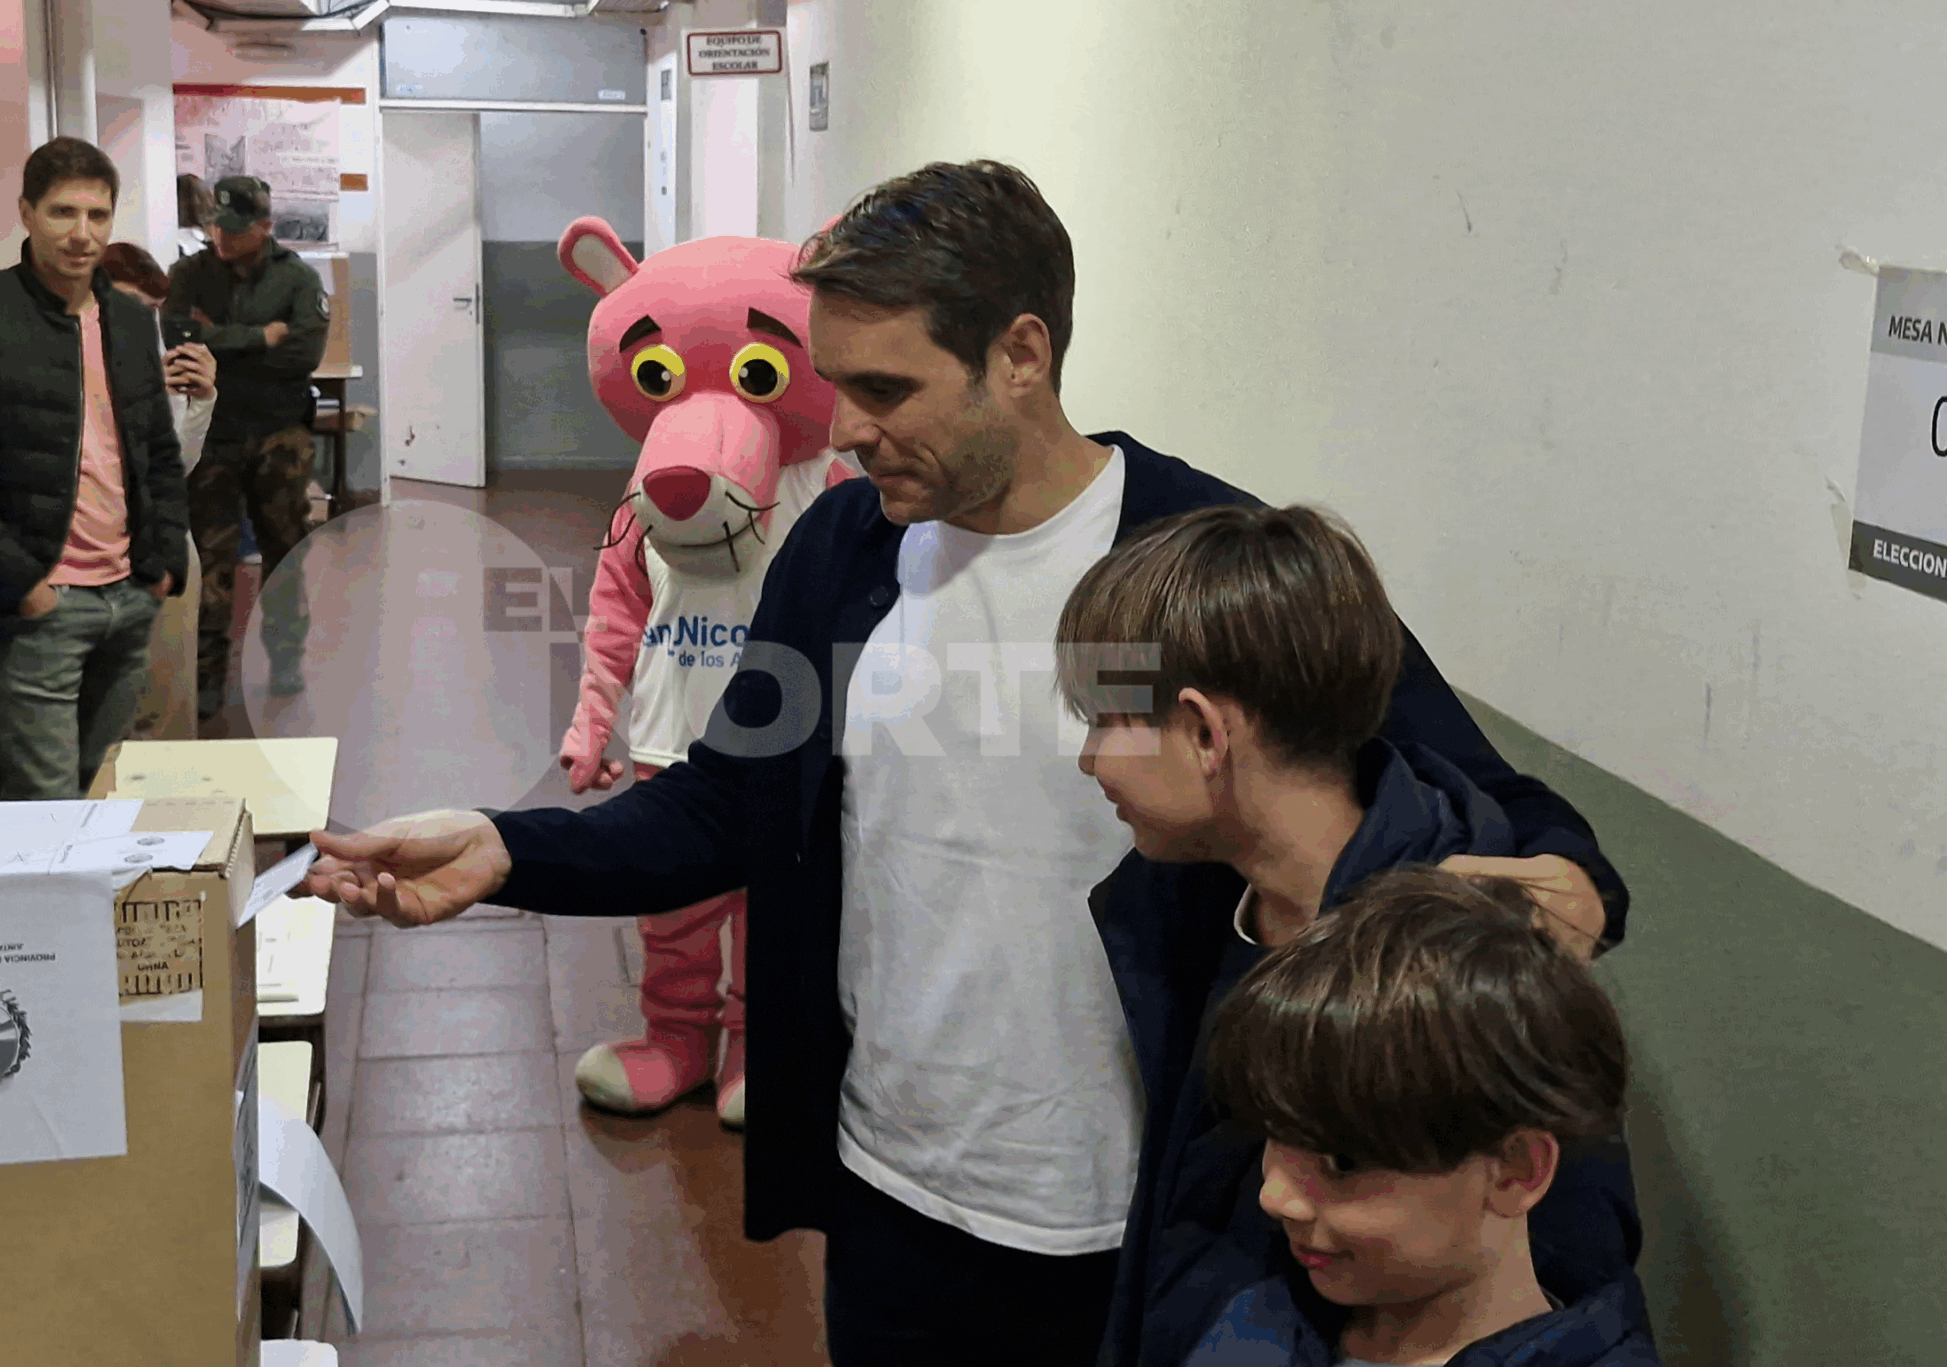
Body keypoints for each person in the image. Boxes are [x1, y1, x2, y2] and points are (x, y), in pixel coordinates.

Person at [299, 160, 1630, 1361]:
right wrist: (508, 847)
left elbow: (1508, 805)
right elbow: (724, 803)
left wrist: (1567, 876)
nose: (851, 425)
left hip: (1142, 1222)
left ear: (1022, 353)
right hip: (895, 1195)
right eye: (837, 384)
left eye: (887, 390)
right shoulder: (841, 556)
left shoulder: (1202, 559)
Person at [1056, 504, 1638, 1366]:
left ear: (1205, 731)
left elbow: (1568, 1266)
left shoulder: (1460, 969)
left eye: (1106, 722)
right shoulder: (1187, 903)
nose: (1090, 759)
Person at [1187, 867, 1659, 1365]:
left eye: (1342, 1161)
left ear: (1514, 1168)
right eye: (1271, 1137)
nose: (1275, 1197)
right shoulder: (1257, 1326)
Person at [0, 136, 191, 798]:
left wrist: (163, 560)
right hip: (41, 608)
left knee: (105, 793)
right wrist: (23, 583)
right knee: (47, 809)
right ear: (26, 213)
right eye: (63, 213)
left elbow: (156, 449)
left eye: (98, 216)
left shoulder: (125, 318)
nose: (82, 234)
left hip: (129, 593)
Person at [164, 174, 329, 719]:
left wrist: (220, 341)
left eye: (235, 229)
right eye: (215, 226)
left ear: (265, 226)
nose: (221, 237)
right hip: (211, 434)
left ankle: (285, 659)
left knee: (285, 548)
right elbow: (178, 341)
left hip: (280, 434)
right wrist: (260, 336)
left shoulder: (298, 278)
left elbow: (303, 353)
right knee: (210, 556)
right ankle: (207, 675)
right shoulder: (188, 274)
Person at [101, 240, 218, 740]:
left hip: (162, 539)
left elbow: (179, 465)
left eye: (149, 309)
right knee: (108, 711)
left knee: (167, 704)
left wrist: (201, 400)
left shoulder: (149, 359)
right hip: (94, 552)